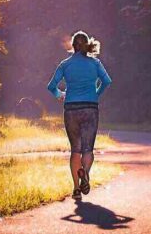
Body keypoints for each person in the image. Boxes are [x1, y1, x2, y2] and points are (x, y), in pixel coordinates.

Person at [47, 30, 112, 201]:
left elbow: (51, 86)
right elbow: (107, 81)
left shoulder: (65, 64)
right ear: (86, 45)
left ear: (73, 46)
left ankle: (76, 189)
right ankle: (86, 175)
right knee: (88, 149)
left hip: (71, 109)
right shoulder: (95, 63)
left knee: (75, 150)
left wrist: (60, 95)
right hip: (90, 107)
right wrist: (96, 94)